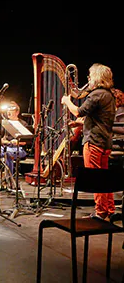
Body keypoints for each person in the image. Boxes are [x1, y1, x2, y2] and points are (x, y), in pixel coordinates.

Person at [61, 63, 117, 221]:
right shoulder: (109, 95)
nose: (88, 78)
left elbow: (78, 111)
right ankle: (110, 210)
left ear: (97, 78)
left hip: (94, 142)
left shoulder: (96, 94)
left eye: (90, 76)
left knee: (95, 178)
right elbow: (101, 119)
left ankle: (100, 213)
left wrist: (67, 101)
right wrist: (81, 123)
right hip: (105, 142)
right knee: (104, 178)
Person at [0, 100, 28, 176]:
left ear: (17, 112)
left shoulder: (23, 124)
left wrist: (15, 141)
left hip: (18, 149)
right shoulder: (6, 124)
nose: (8, 112)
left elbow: (25, 142)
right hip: (5, 148)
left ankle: (9, 180)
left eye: (11, 111)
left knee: (7, 154)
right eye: (8, 110)